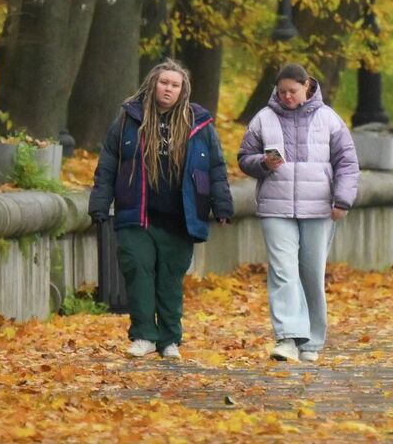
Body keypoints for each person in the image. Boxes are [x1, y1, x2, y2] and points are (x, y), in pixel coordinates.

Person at [88, 59, 234, 360]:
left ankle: (169, 338)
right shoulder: (129, 121)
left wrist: (222, 206)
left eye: (175, 84)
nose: (168, 88)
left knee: (169, 280)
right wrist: (99, 206)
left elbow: (216, 168)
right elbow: (107, 166)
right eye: (164, 82)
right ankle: (144, 335)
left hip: (180, 217)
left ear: (183, 91)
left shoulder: (199, 124)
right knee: (138, 273)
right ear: (153, 84)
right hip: (136, 214)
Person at [239, 64, 360, 364]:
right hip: (275, 207)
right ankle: (288, 337)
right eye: (282, 92)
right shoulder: (263, 119)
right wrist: (263, 163)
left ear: (307, 86)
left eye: (292, 91)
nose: (287, 97)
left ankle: (312, 341)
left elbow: (347, 162)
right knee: (282, 271)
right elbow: (244, 158)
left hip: (318, 208)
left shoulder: (328, 119)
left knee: (311, 273)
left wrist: (342, 200)